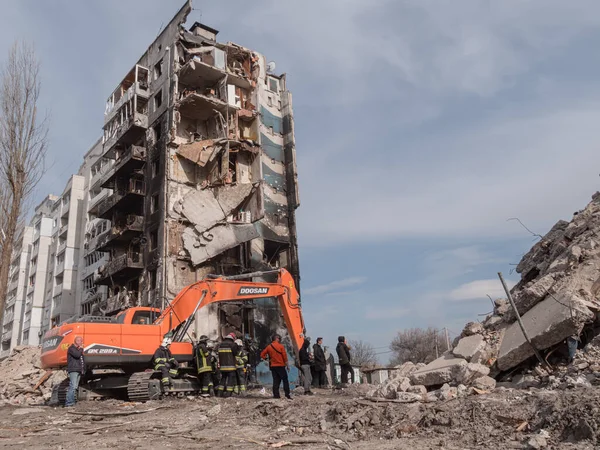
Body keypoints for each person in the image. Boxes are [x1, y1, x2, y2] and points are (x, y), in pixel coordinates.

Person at [260, 334, 292, 399]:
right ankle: (287, 395)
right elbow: (284, 357)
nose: (279, 340)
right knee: (285, 380)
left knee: (276, 381)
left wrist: (266, 359)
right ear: (277, 338)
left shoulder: (269, 347)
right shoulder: (281, 346)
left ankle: (276, 395)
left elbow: (262, 354)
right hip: (280, 366)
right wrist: (287, 365)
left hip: (273, 366)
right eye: (279, 338)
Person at [65, 336, 85, 407]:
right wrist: (81, 349)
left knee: (75, 386)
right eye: (80, 341)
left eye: (82, 341)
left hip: (78, 369)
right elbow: (77, 355)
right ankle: (69, 403)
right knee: (72, 386)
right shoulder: (71, 348)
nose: (81, 342)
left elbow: (82, 360)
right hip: (73, 369)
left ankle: (72, 402)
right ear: (76, 341)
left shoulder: (78, 349)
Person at [217, 333, 238, 397]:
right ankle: (228, 394)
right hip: (230, 367)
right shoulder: (233, 344)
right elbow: (235, 353)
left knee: (223, 379)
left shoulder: (220, 344)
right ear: (233, 338)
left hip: (222, 366)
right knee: (230, 380)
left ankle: (219, 393)